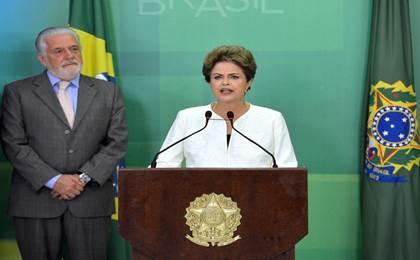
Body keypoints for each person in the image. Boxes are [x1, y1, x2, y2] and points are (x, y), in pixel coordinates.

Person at [0, 26, 128, 260]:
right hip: (35, 203)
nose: (69, 56)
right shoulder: (17, 92)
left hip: (89, 201)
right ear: (42, 58)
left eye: (74, 49)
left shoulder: (108, 92)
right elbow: (13, 145)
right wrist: (54, 180)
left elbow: (117, 143)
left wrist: (82, 178)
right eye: (59, 51)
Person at [155, 45, 297, 168]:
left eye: (234, 77)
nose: (225, 83)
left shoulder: (271, 120)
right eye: (218, 77)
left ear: (249, 82)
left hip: (255, 199)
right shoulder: (187, 118)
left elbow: (287, 171)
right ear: (209, 81)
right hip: (202, 199)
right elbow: (163, 165)